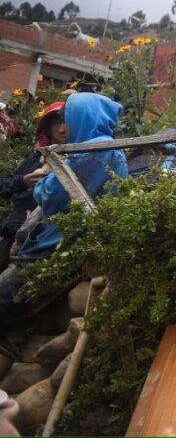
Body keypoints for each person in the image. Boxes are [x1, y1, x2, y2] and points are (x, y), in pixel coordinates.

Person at [0, 93, 127, 325]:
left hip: (54, 245)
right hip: (79, 242)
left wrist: (42, 184)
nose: (65, 125)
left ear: (82, 117)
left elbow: (49, 196)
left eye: (68, 118)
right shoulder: (116, 151)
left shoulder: (88, 152)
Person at [0, 101, 65, 269]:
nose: (62, 129)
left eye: (65, 122)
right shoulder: (36, 157)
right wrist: (22, 181)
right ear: (48, 128)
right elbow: (4, 185)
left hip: (37, 239)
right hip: (10, 231)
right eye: (57, 123)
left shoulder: (75, 158)